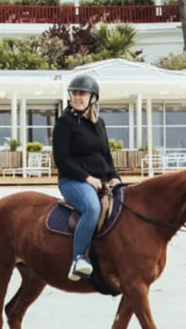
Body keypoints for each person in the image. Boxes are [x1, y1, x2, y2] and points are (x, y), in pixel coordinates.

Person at [51, 74, 121, 281]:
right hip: (73, 181)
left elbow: (106, 155)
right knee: (92, 209)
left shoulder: (100, 124)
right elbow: (62, 160)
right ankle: (78, 258)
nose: (77, 97)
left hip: (102, 181)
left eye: (82, 94)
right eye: (75, 93)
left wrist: (114, 177)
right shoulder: (65, 122)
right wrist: (87, 178)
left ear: (93, 98)